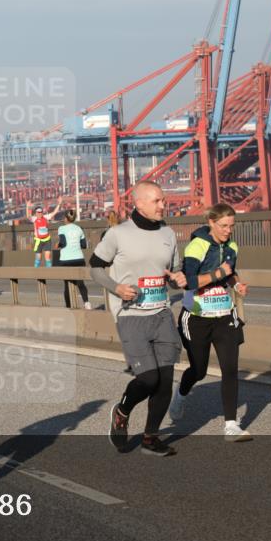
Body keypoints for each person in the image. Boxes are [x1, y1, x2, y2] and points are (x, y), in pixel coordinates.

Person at [94, 181, 187, 457]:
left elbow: (174, 273)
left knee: (165, 379)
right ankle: (122, 411)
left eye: (163, 200)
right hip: (131, 315)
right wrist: (116, 288)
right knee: (148, 379)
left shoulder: (169, 234)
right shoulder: (117, 234)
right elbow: (95, 269)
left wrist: (179, 279)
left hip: (161, 313)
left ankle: (150, 437)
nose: (163, 205)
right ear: (140, 203)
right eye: (157, 201)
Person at [169, 204, 252, 441]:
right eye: (224, 226)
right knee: (199, 370)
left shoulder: (232, 246)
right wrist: (218, 274)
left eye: (232, 226)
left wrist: (237, 284)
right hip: (196, 316)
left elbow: (230, 272)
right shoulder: (198, 245)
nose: (228, 231)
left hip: (224, 314)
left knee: (230, 369)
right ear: (211, 223)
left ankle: (231, 426)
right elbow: (189, 282)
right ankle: (181, 395)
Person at [56, 209, 90, 309]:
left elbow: (63, 243)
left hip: (66, 260)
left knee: (67, 285)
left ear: (66, 218)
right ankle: (87, 303)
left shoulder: (61, 228)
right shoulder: (79, 228)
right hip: (79, 259)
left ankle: (68, 306)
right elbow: (84, 245)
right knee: (80, 283)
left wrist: (58, 244)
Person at [27, 197, 63, 267]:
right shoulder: (34, 219)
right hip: (38, 240)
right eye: (38, 212)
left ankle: (48, 272)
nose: (39, 214)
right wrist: (28, 207)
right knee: (38, 258)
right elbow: (28, 216)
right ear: (36, 213)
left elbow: (54, 212)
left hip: (47, 240)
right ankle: (36, 272)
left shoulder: (46, 217)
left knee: (48, 257)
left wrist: (59, 204)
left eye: (41, 212)